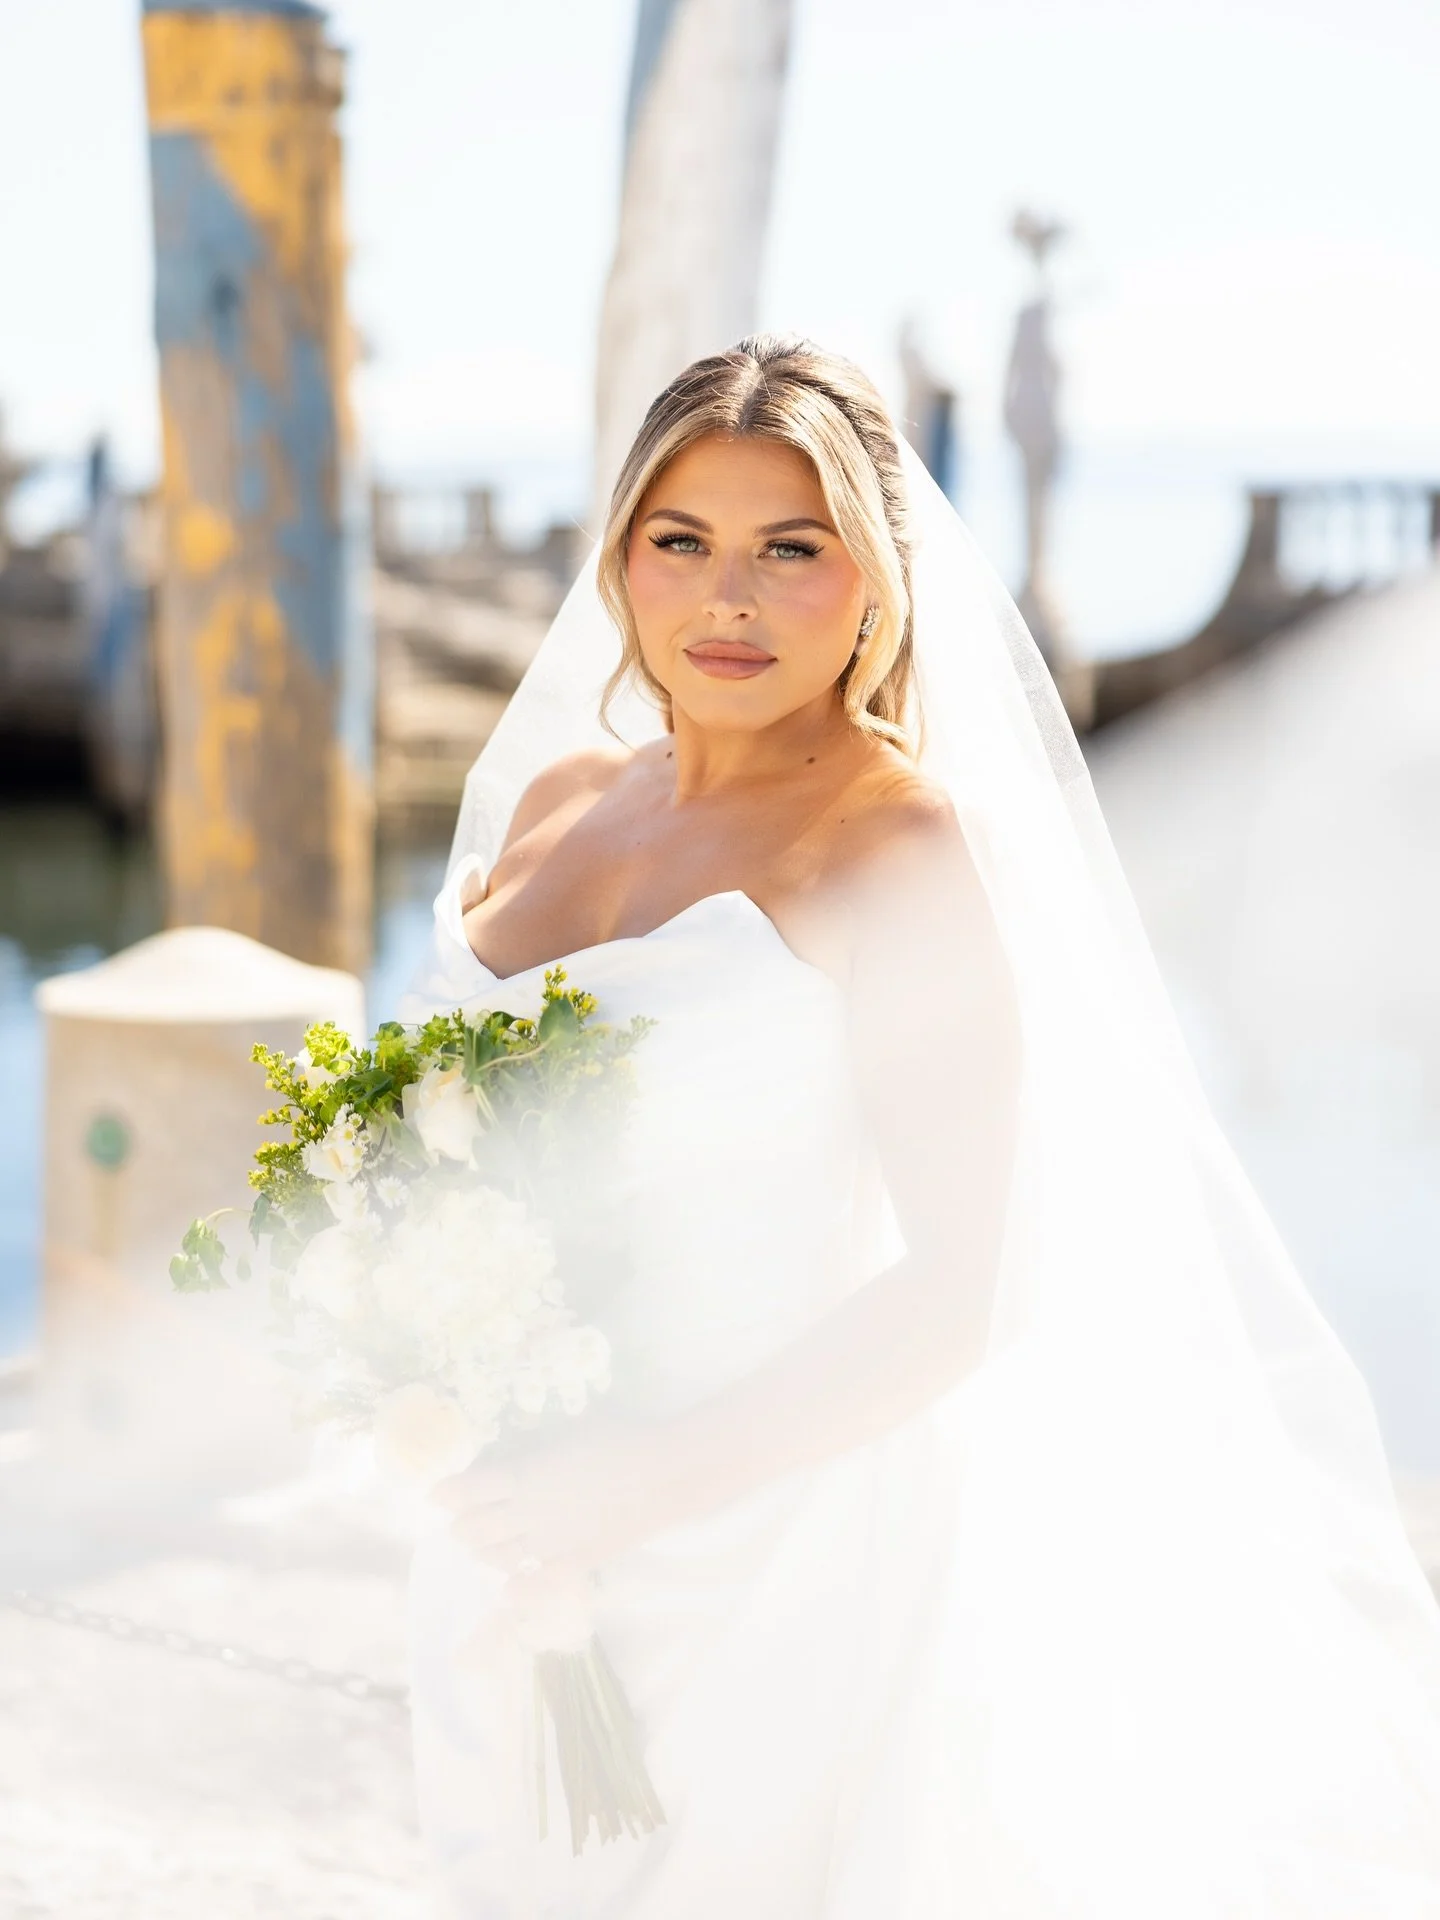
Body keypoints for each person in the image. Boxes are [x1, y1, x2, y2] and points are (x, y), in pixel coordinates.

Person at [403, 336, 1440, 1916]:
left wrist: (635, 1487)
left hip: (754, 1549)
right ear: (619, 561)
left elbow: (969, 1286)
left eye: (788, 551)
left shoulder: (894, 850)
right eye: (680, 542)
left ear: (877, 582)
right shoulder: (555, 801)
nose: (726, 599)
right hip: (507, 1511)